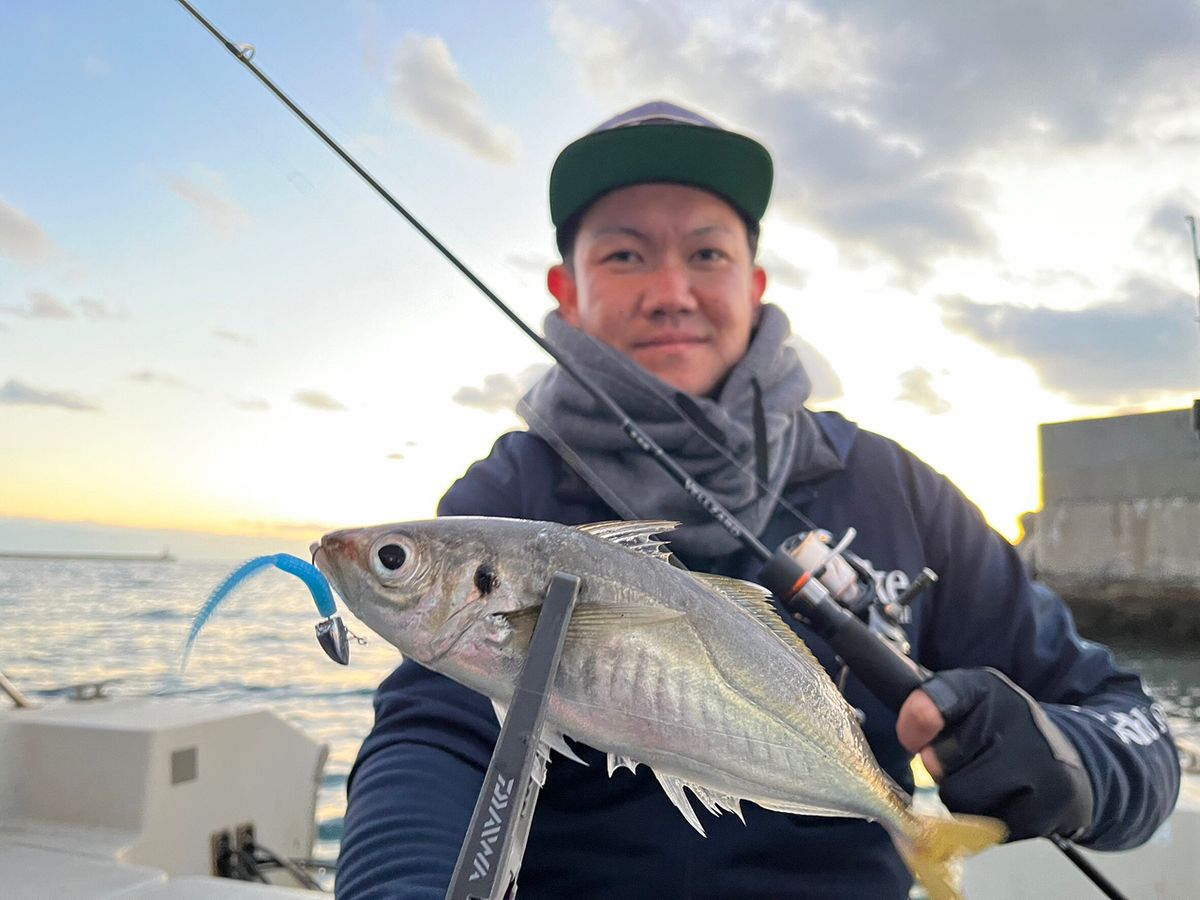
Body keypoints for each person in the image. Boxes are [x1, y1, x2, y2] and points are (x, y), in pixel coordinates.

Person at [335, 102, 1180, 899]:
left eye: (707, 253)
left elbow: (1131, 729)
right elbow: (434, 735)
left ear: (756, 281)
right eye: (625, 254)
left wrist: (1072, 762)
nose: (672, 290)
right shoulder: (509, 499)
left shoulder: (894, 487)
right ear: (566, 290)